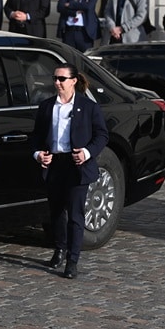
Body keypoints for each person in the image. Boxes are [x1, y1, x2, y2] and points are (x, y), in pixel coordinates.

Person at [32, 63, 109, 279]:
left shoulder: (88, 107)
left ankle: (72, 260)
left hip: (77, 166)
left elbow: (102, 135)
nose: (57, 83)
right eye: (55, 78)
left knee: (75, 215)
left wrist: (86, 152)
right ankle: (60, 248)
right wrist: (38, 154)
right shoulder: (47, 107)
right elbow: (36, 136)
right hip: (55, 164)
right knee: (56, 212)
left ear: (73, 81)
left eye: (62, 79)